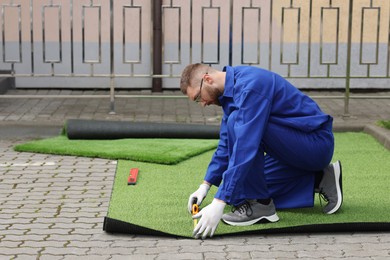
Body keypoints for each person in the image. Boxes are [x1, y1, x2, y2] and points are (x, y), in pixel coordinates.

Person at [180, 63, 343, 239]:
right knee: (239, 193)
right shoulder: (229, 91)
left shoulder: (251, 85)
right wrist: (205, 186)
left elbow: (245, 145)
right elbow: (226, 144)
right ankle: (319, 178)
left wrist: (219, 201)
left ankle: (262, 205)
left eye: (198, 97)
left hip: (315, 145)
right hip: (294, 151)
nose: (202, 104)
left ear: (208, 79)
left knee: (241, 125)